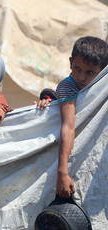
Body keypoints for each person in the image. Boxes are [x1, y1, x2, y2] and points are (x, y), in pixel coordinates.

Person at [55, 36, 108, 198]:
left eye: (90, 72)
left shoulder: (100, 87)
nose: (82, 77)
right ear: (70, 63)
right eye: (77, 69)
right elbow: (68, 127)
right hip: (68, 159)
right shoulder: (68, 87)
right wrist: (62, 172)